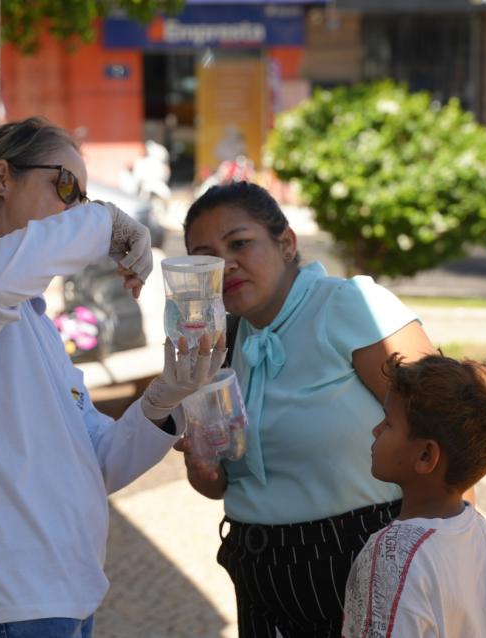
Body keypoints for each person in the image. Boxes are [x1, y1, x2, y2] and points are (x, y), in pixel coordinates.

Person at [0, 117, 226, 637]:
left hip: (53, 594)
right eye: (66, 186)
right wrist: (105, 220)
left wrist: (166, 396)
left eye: (84, 199)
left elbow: (97, 463)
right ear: (2, 177)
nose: (74, 210)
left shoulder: (31, 316)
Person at [175, 181, 436, 637]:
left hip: (358, 558)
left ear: (287, 242)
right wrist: (202, 463)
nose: (225, 264)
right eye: (206, 257)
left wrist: (452, 554)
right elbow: (216, 484)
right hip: (255, 566)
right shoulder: (222, 341)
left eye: (239, 243)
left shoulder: (350, 304)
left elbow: (444, 429)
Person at [342, 353, 486, 637]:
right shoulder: (483, 534)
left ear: (426, 455)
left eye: (389, 423)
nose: (376, 430)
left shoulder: (392, 555)